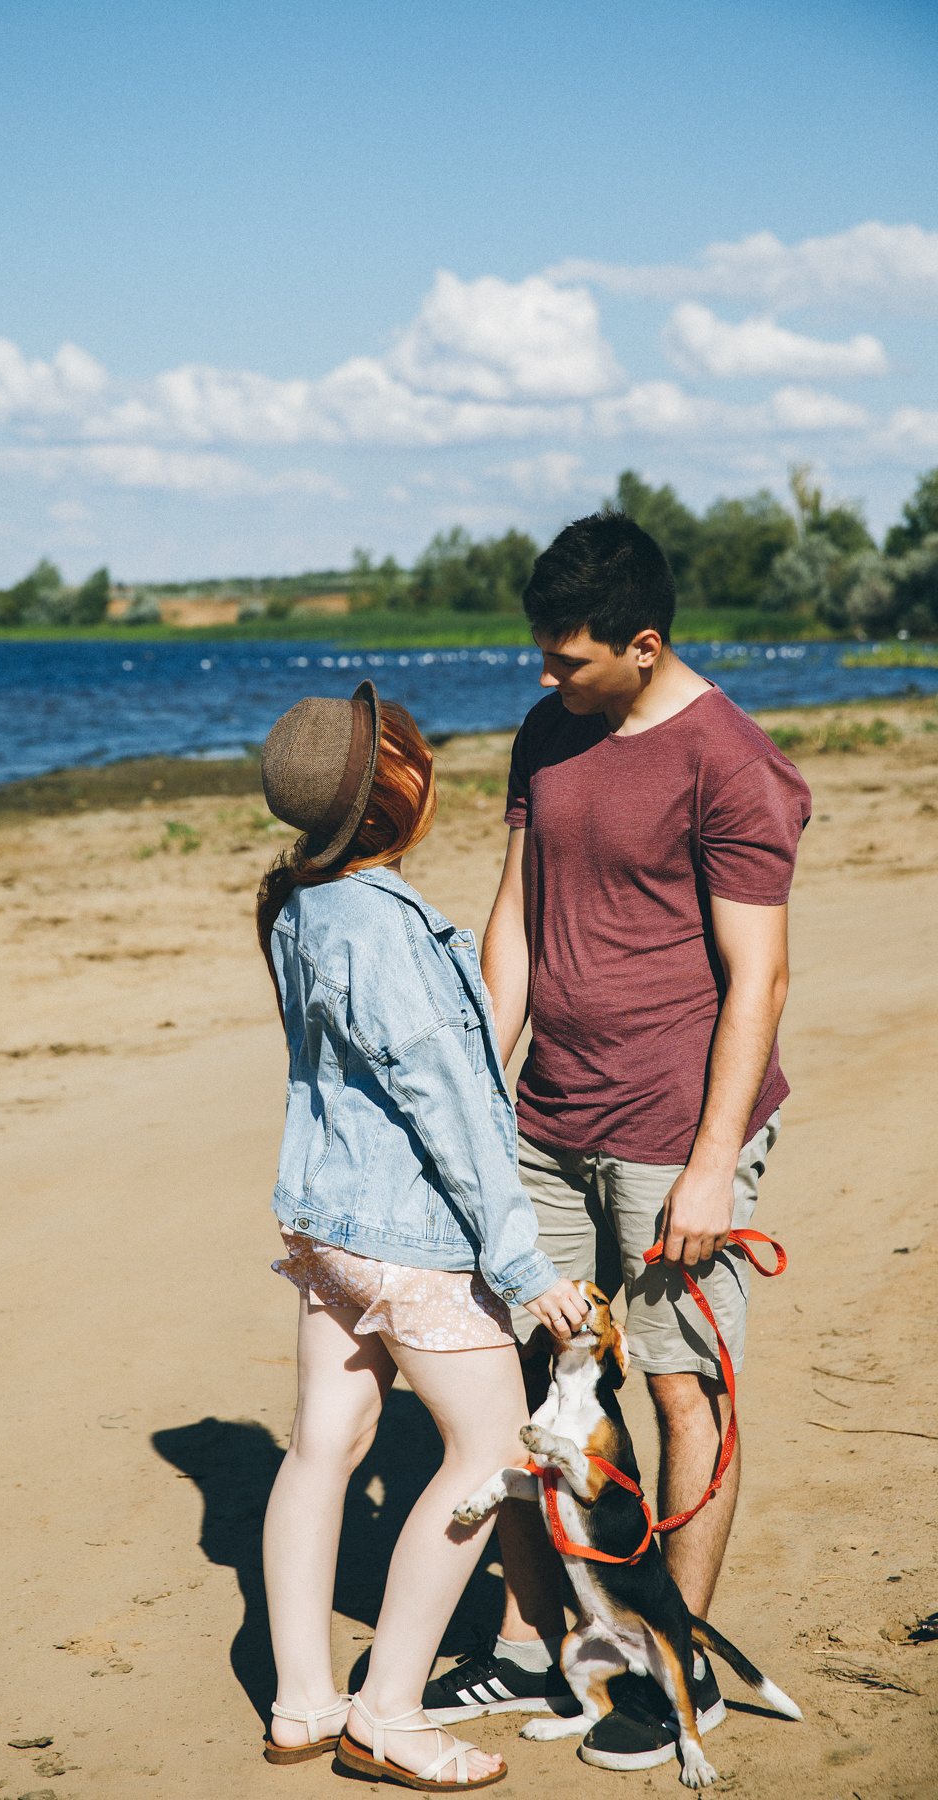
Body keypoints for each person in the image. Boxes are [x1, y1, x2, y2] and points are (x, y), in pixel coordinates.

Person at [421, 513, 811, 1773]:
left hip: (669, 1134)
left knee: (680, 1389)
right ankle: (559, 1643)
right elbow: (516, 928)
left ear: (644, 647)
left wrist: (708, 1168)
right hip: (545, 1118)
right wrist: (480, 1100)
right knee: (533, 1388)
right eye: (541, 655)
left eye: (567, 659)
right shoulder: (550, 735)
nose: (544, 679)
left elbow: (758, 982)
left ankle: (670, 1666)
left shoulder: (731, 765)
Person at [256, 680, 589, 1791]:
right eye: (415, 754)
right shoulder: (385, 926)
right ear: (399, 792)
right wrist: (525, 1265)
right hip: (406, 1235)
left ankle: (306, 1700)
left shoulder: (302, 903)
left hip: (327, 1224)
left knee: (322, 1447)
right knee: (491, 1455)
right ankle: (389, 1712)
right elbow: (454, 1106)